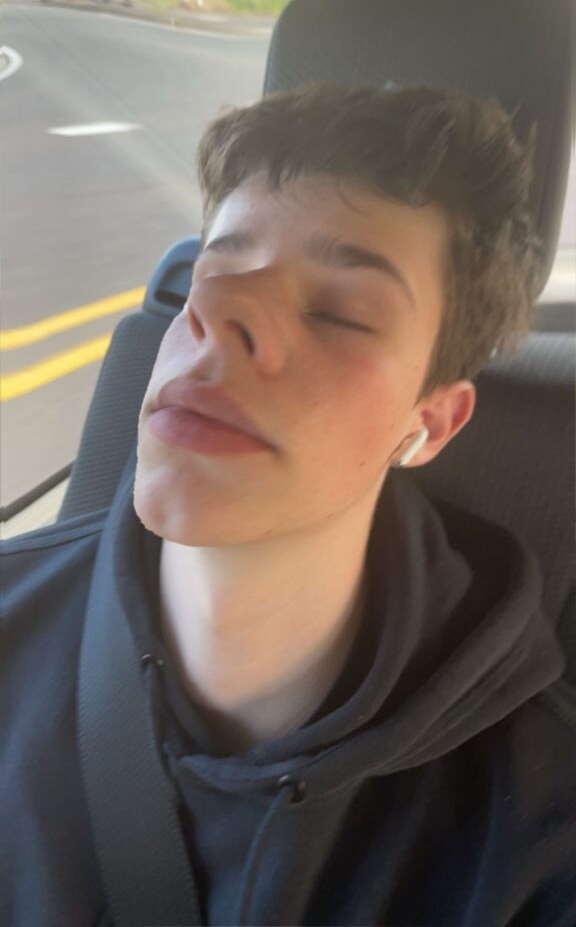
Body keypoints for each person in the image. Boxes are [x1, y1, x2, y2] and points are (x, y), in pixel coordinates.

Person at [2, 84, 574, 927]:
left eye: (340, 313)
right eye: (214, 274)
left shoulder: (536, 837)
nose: (217, 312)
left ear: (430, 423)